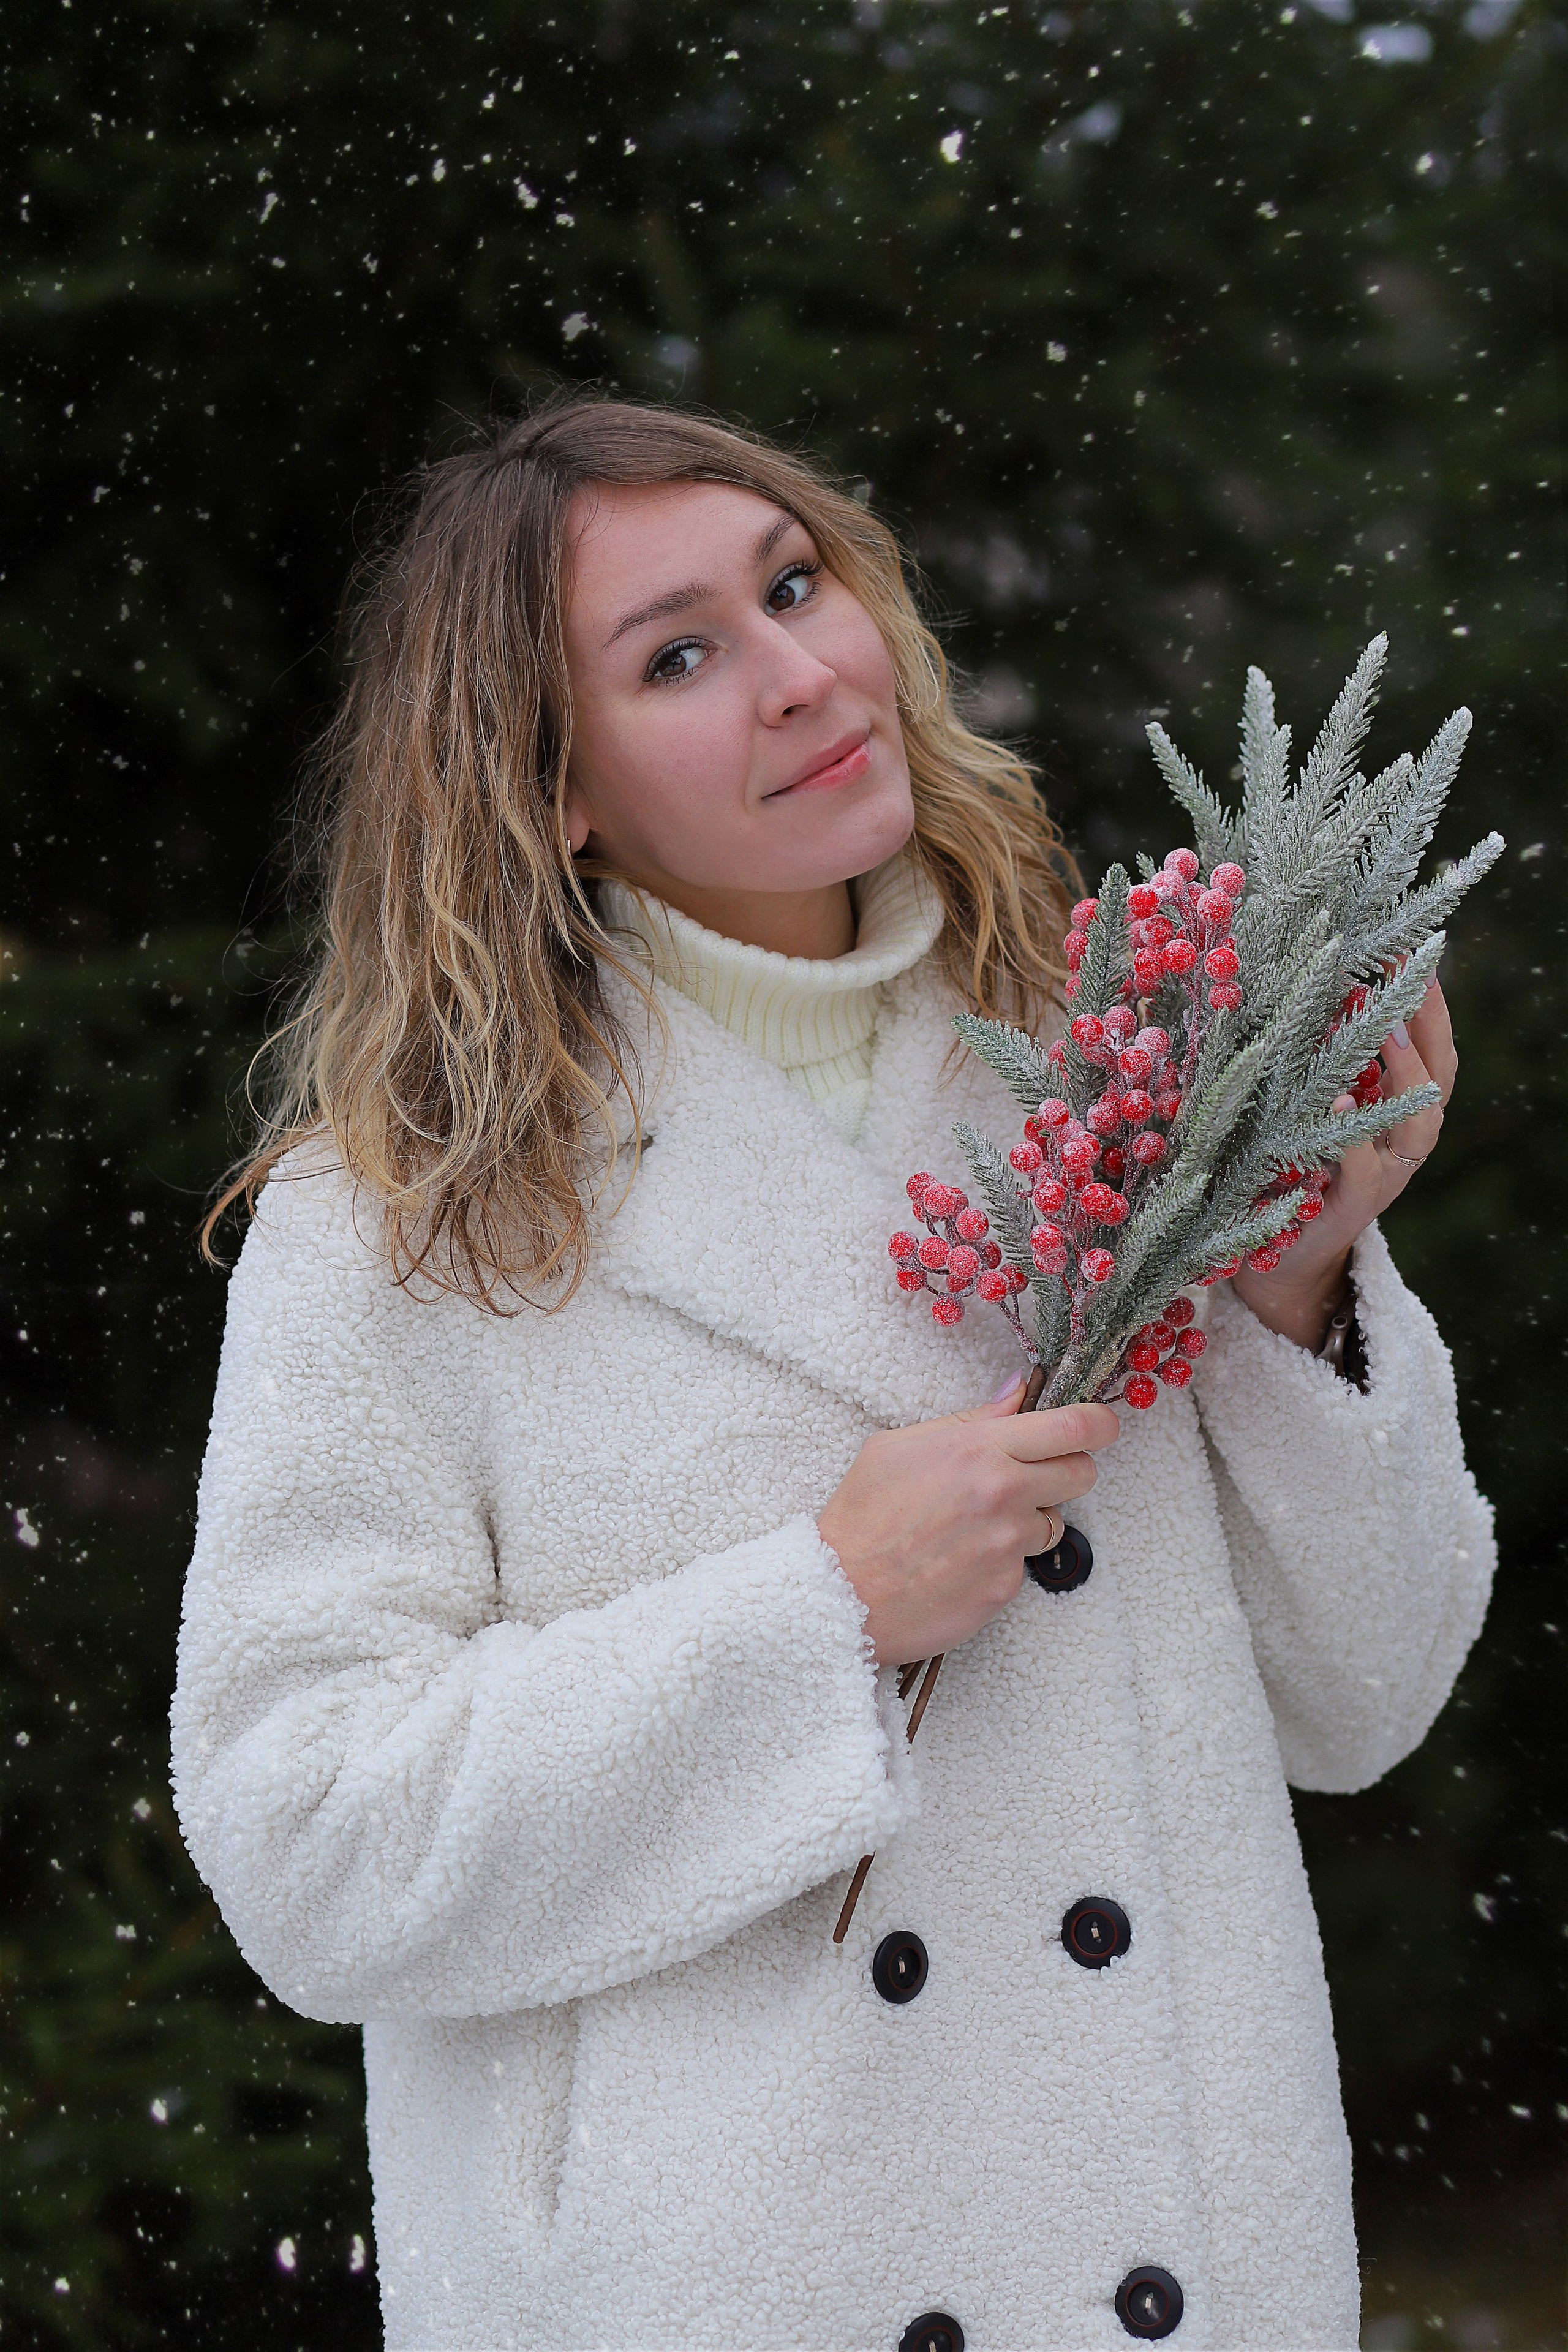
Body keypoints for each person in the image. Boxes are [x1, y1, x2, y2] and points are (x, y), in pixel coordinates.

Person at [172, 396, 1493, 2352]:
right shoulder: (411, 1213)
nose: (799, 677)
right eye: (681, 655)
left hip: (1178, 2263)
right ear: (553, 792)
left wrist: (1299, 1283)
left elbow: (1364, 1704)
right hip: (724, 2289)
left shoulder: (1109, 1075)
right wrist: (816, 1618)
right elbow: (311, 1846)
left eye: (797, 587)